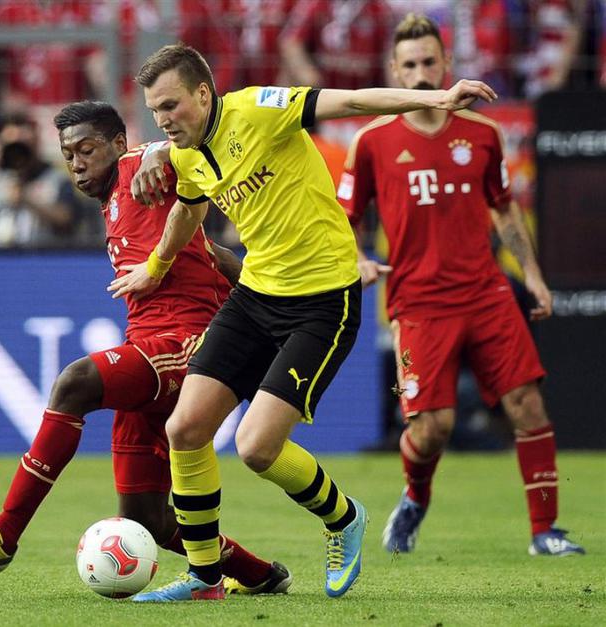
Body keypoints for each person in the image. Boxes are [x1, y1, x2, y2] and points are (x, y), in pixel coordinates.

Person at [113, 43, 497, 601]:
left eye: (171, 105)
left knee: (256, 447)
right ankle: (204, 578)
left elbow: (352, 101)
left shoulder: (258, 109)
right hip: (255, 295)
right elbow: (188, 208)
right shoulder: (186, 155)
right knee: (185, 428)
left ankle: (344, 518)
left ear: (204, 92)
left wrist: (437, 98)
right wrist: (155, 266)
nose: (164, 120)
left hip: (323, 301)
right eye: (155, 111)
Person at [0, 100, 292, 596]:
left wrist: (157, 152)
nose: (77, 163)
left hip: (185, 342)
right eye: (68, 155)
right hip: (148, 346)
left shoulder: (139, 168)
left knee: (75, 383)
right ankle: (261, 575)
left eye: (87, 149)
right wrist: (260, 289)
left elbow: (197, 139)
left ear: (119, 144)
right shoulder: (116, 205)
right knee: (147, 519)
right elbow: (216, 254)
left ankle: (4, 532)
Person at [337, 13, 585, 557]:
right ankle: (415, 497)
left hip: (485, 292)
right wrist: (357, 259)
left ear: (447, 63)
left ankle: (545, 531)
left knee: (527, 404)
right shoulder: (372, 141)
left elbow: (505, 210)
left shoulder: (483, 134)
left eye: (430, 61)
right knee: (433, 429)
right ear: (394, 71)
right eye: (410, 65)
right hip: (418, 303)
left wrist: (533, 276)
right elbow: (343, 218)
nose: (421, 74)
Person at [0, 112, 92, 248]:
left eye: (23, 144)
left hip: (40, 255)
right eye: (13, 144)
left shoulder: (56, 178)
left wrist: (27, 199)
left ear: (36, 142)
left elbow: (67, 219)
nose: (18, 153)